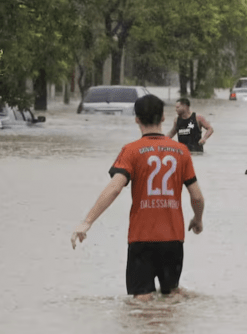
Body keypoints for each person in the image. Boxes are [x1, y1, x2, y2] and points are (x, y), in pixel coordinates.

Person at [71, 94, 205, 302]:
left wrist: (87, 222)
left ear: (136, 119)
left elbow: (114, 189)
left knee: (141, 301)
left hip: (141, 238)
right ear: (162, 118)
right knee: (171, 298)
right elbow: (196, 196)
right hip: (173, 239)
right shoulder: (182, 152)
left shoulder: (131, 151)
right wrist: (197, 219)